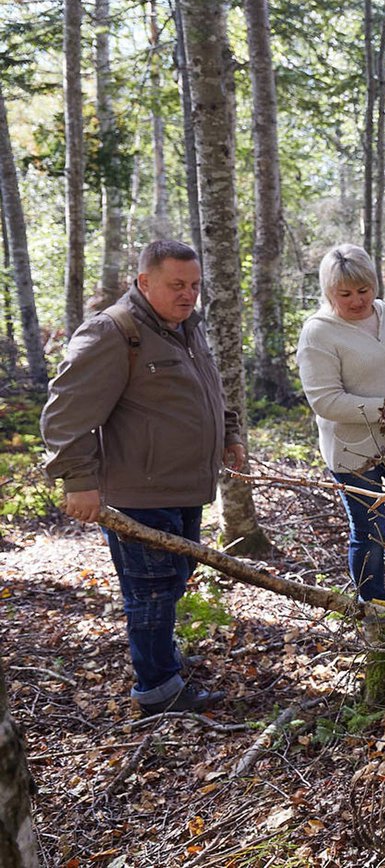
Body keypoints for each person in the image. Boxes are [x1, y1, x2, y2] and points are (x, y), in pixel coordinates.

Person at [41, 239, 245, 716]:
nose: (188, 294)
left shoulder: (185, 327)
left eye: (194, 285)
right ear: (144, 281)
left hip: (185, 487)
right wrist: (78, 480)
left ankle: (161, 660)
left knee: (173, 580)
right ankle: (157, 690)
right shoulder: (114, 332)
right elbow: (65, 414)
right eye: (176, 285)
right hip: (140, 492)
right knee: (150, 593)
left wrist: (228, 433)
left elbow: (207, 390)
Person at [296, 244, 385, 601]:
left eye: (364, 290)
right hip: (352, 449)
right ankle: (373, 608)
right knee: (369, 530)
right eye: (345, 294)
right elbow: (325, 401)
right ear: (329, 292)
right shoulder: (318, 333)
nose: (358, 301)